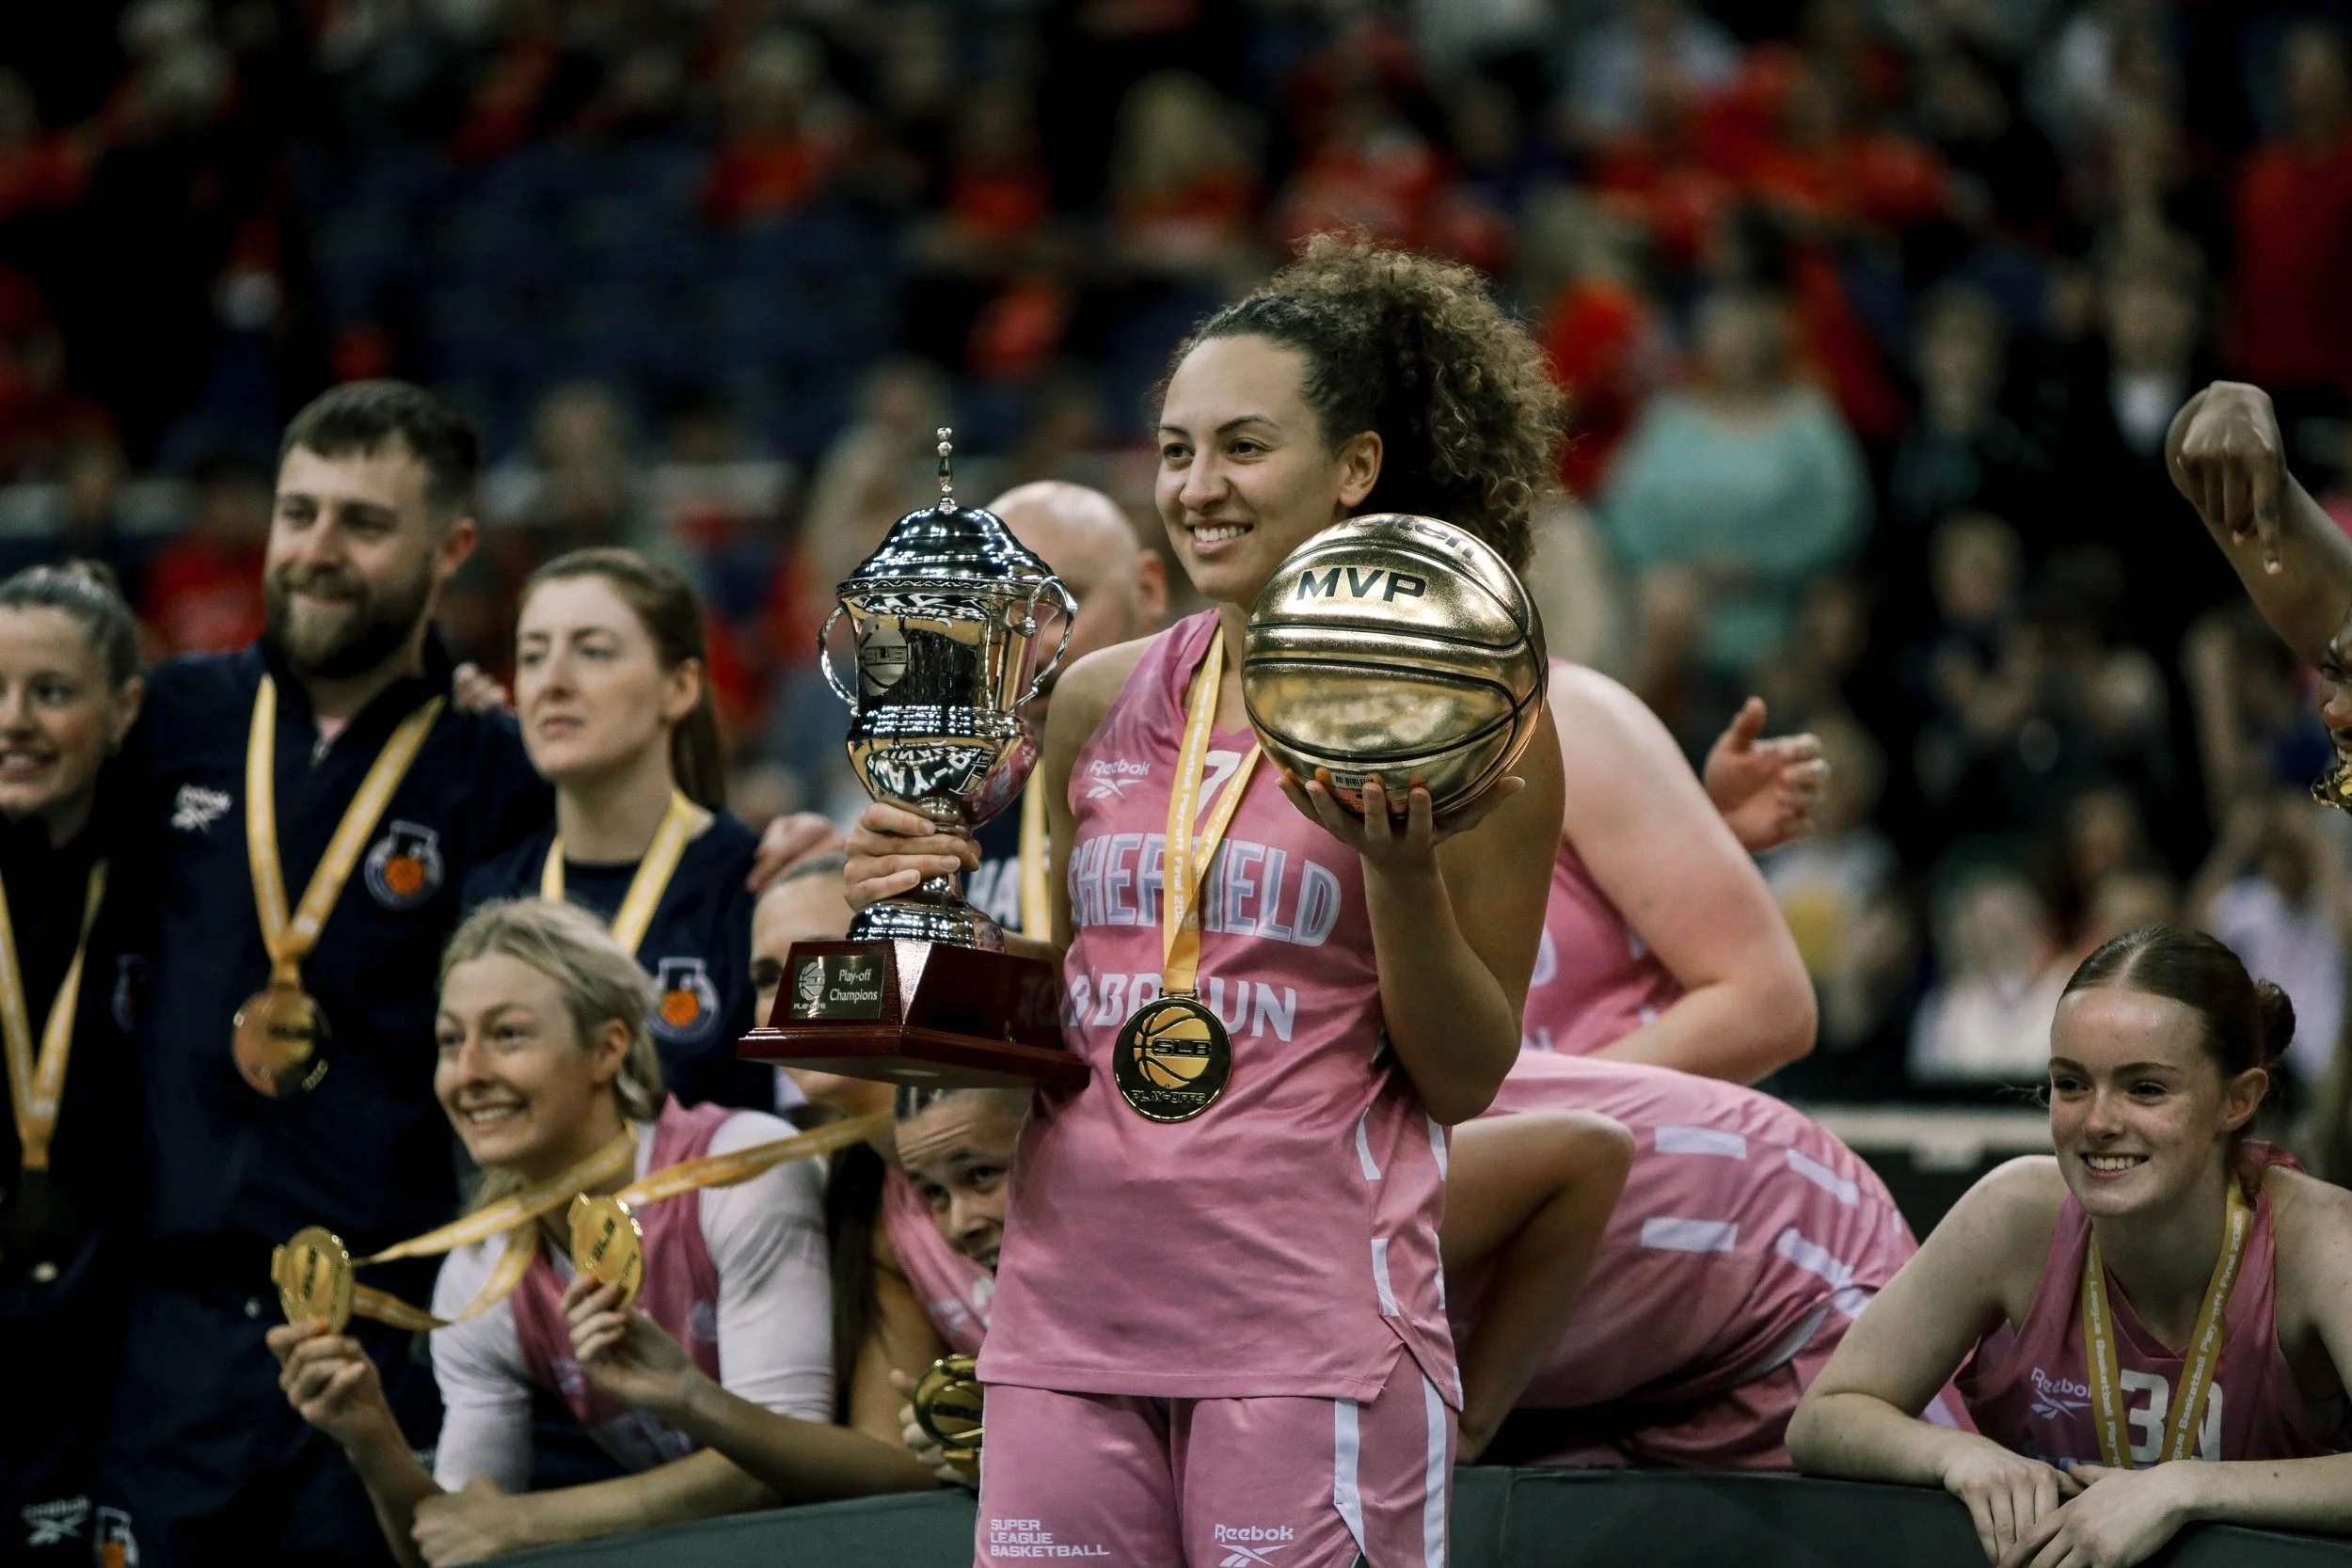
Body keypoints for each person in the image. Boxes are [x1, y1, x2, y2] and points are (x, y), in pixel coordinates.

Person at [850, 236, 1566, 1566]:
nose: (1197, 487)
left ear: (1356, 466)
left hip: (1304, 1328)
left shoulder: (1463, 707)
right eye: (1175, 450)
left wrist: (1400, 875)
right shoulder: (1090, 697)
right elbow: (1079, 1006)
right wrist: (918, 930)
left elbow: (1464, 1074)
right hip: (1067, 1315)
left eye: (1244, 447)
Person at [98, 381, 553, 1568]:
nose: (315, 550)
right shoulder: (170, 718)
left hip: (379, 1349)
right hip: (167, 1349)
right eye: (297, 514)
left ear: (451, 545)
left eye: (361, 521)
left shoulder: (494, 765)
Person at [267, 898, 837, 1566]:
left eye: (507, 1034)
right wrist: (372, 1438)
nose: (469, 1072)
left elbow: (788, 1460)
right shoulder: (483, 1270)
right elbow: (455, 1542)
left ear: (606, 1048)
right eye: (450, 1041)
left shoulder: (737, 1169)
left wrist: (527, 1522)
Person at [1787, 927, 2352, 1568]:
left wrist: (2182, 1486)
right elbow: (1824, 1416)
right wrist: (1959, 1453)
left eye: (2146, 1088)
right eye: (2072, 1083)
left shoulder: (2322, 1235)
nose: (2099, 1121)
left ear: (2237, 1099)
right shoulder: (2015, 1211)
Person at [1445, 1051, 1959, 1468]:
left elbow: (1588, 1154)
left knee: (1968, 1523)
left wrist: (1470, 1428)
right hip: (1643, 1352)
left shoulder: (1380, 1177)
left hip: (1796, 1262)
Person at [461, 548, 771, 1110]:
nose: (551, 682)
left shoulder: (754, 888)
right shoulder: (486, 896)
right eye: (532, 656)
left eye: (594, 652)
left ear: (679, 688)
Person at [0, 564, 146, 1564]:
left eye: (50, 692)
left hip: (129, 1353)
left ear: (123, 707)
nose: (12, 720)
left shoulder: (180, 865)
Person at [961, 481, 1168, 938]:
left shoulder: (1218, 773)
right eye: (999, 610)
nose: (1034, 645)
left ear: (1149, 589)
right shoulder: (955, 806)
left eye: (1063, 600)